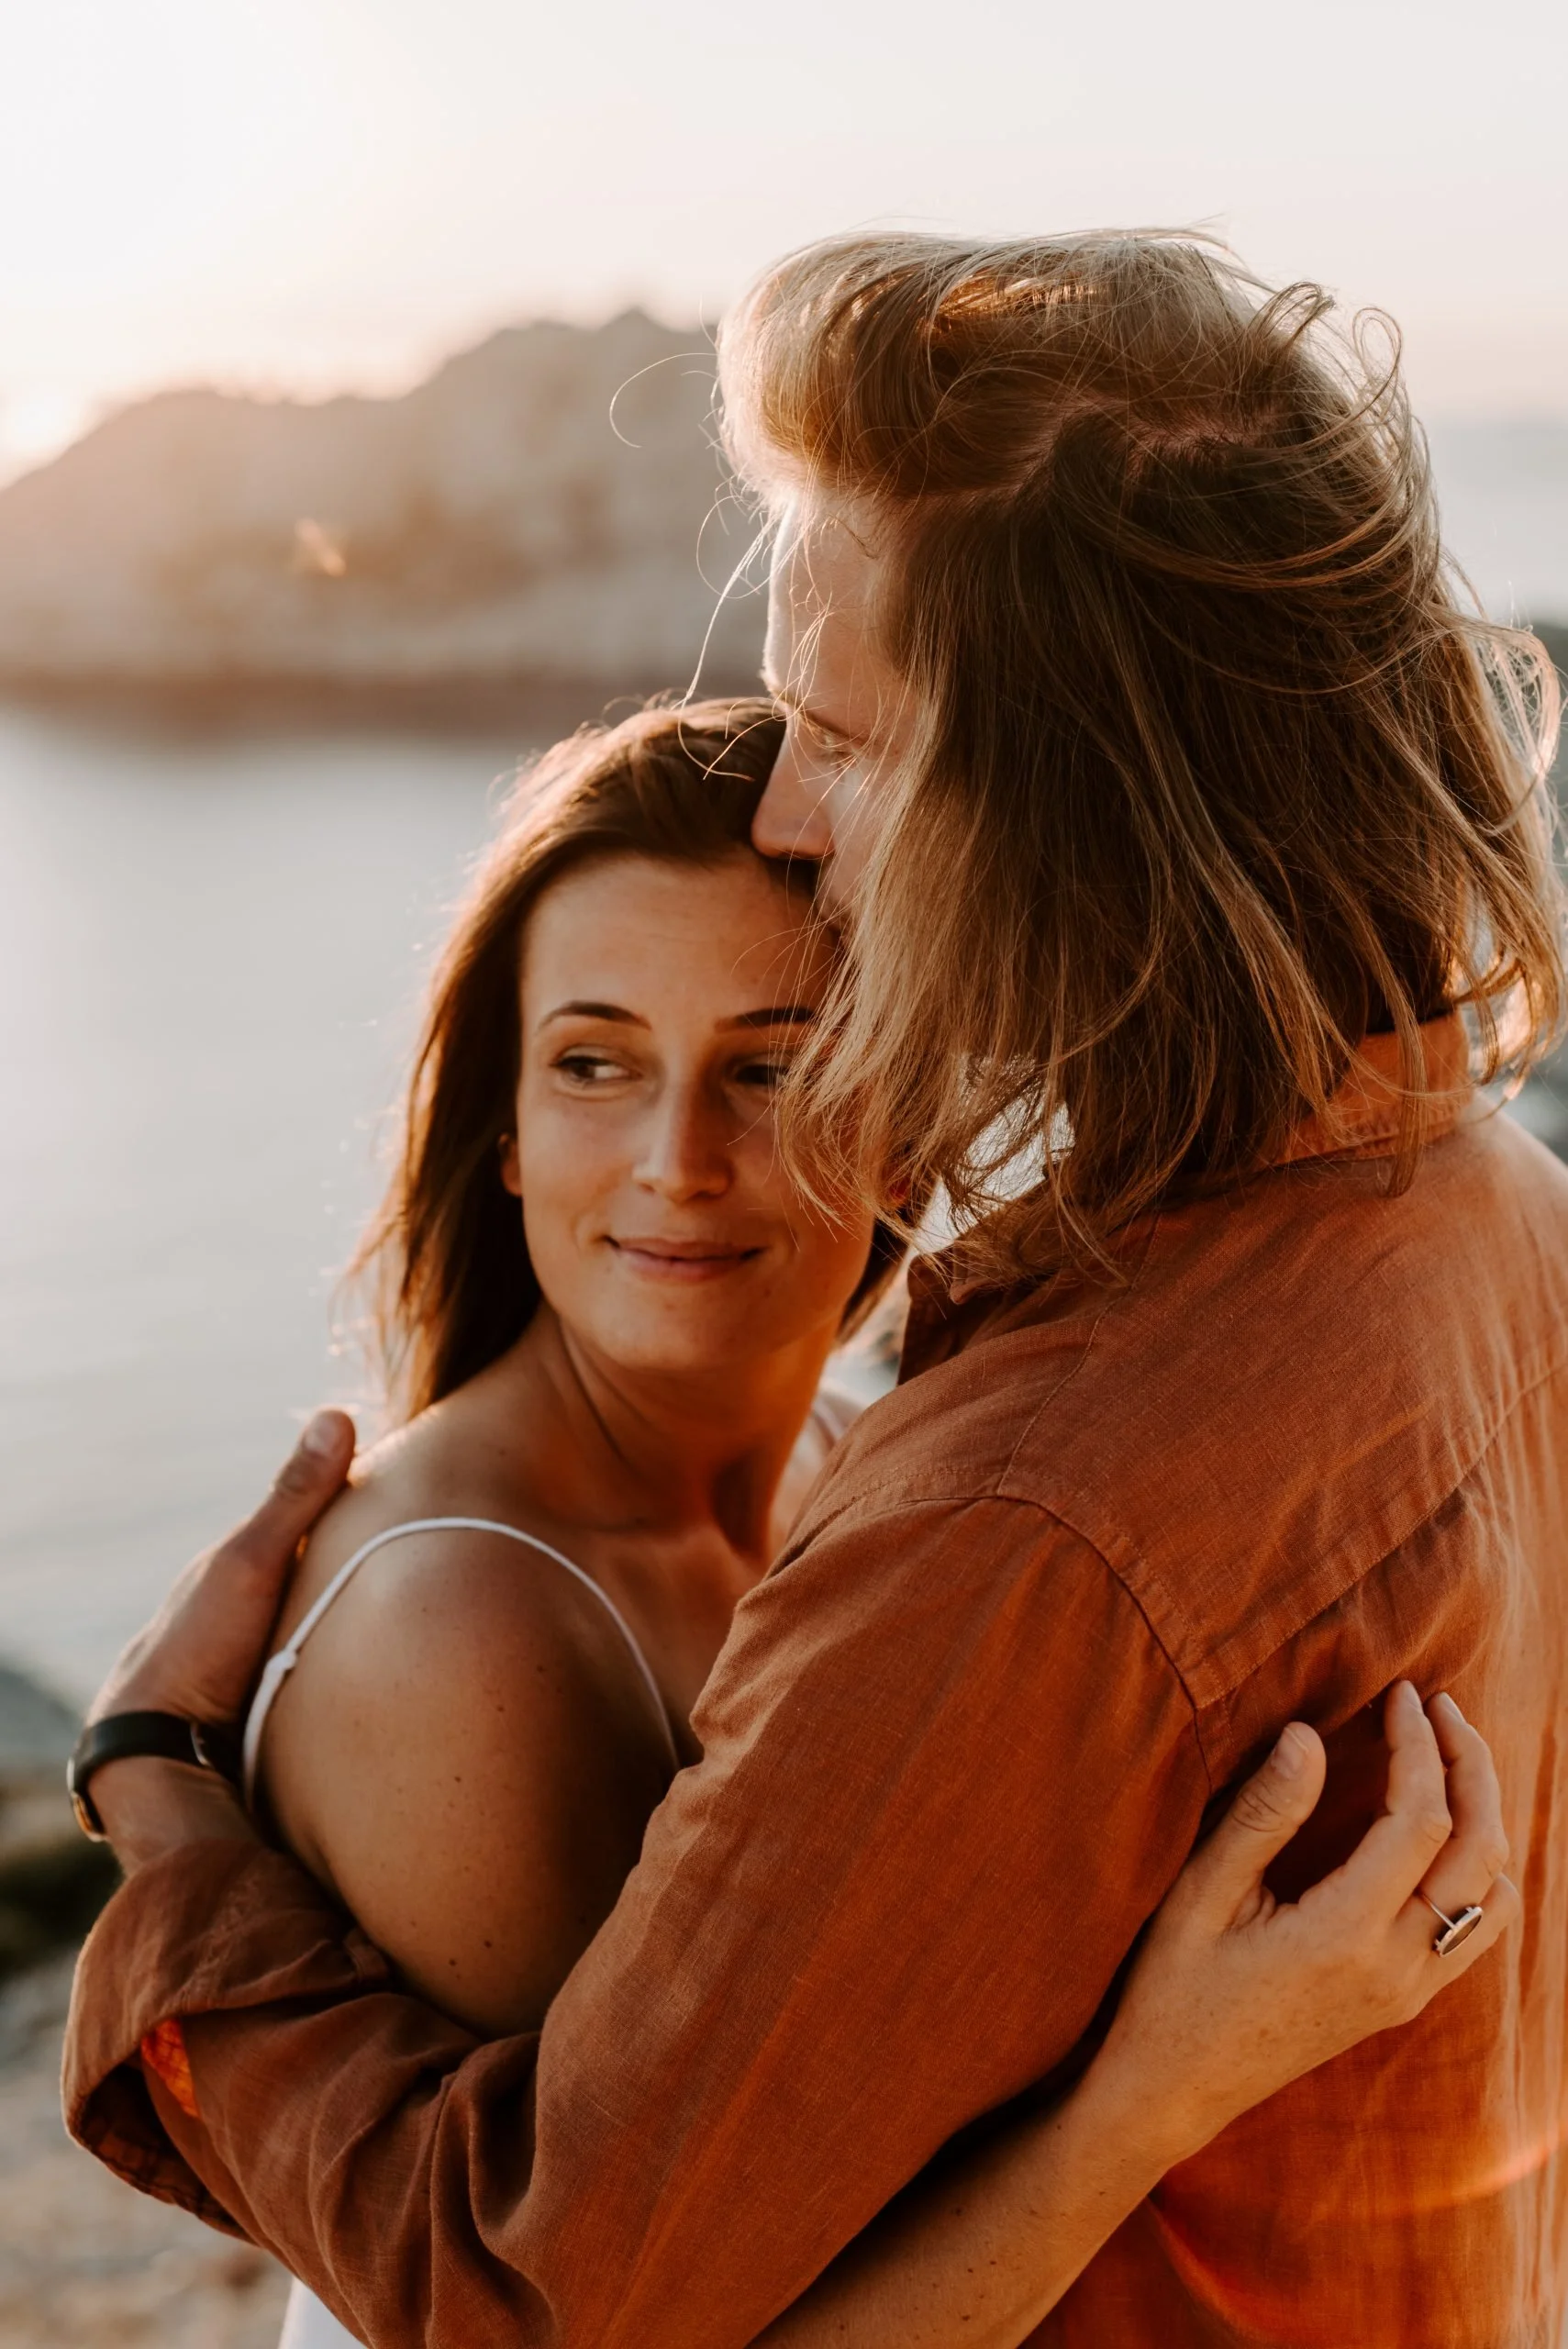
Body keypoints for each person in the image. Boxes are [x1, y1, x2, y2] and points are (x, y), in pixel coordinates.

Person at [65, 231, 1566, 2348]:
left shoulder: (1021, 1520)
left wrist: (152, 1789)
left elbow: (533, 2297)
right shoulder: (1492, 1204)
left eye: (848, 740)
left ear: (1078, 807)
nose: (785, 804)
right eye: (590, 1057)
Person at [206, 698, 1507, 2349]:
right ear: (508, 1140)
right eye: (594, 1064)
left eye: (771, 1066)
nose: (678, 1160)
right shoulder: (459, 1642)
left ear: (901, 1121)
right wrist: (1159, 2092)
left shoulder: (874, 1468)